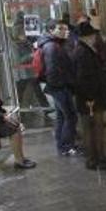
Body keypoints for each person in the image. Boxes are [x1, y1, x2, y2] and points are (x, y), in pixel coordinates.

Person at [72, 23, 106, 170]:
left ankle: (98, 157)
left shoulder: (84, 50)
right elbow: (83, 79)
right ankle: (94, 159)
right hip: (90, 99)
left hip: (90, 98)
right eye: (93, 35)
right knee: (93, 129)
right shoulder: (83, 53)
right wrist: (90, 97)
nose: (95, 37)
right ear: (87, 37)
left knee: (94, 128)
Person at [38, 20, 81, 156]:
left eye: (66, 28)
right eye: (60, 28)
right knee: (70, 116)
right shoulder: (51, 47)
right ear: (51, 30)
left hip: (58, 86)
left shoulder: (54, 44)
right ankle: (67, 146)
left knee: (62, 116)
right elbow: (52, 70)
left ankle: (62, 143)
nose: (65, 31)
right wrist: (62, 85)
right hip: (59, 87)